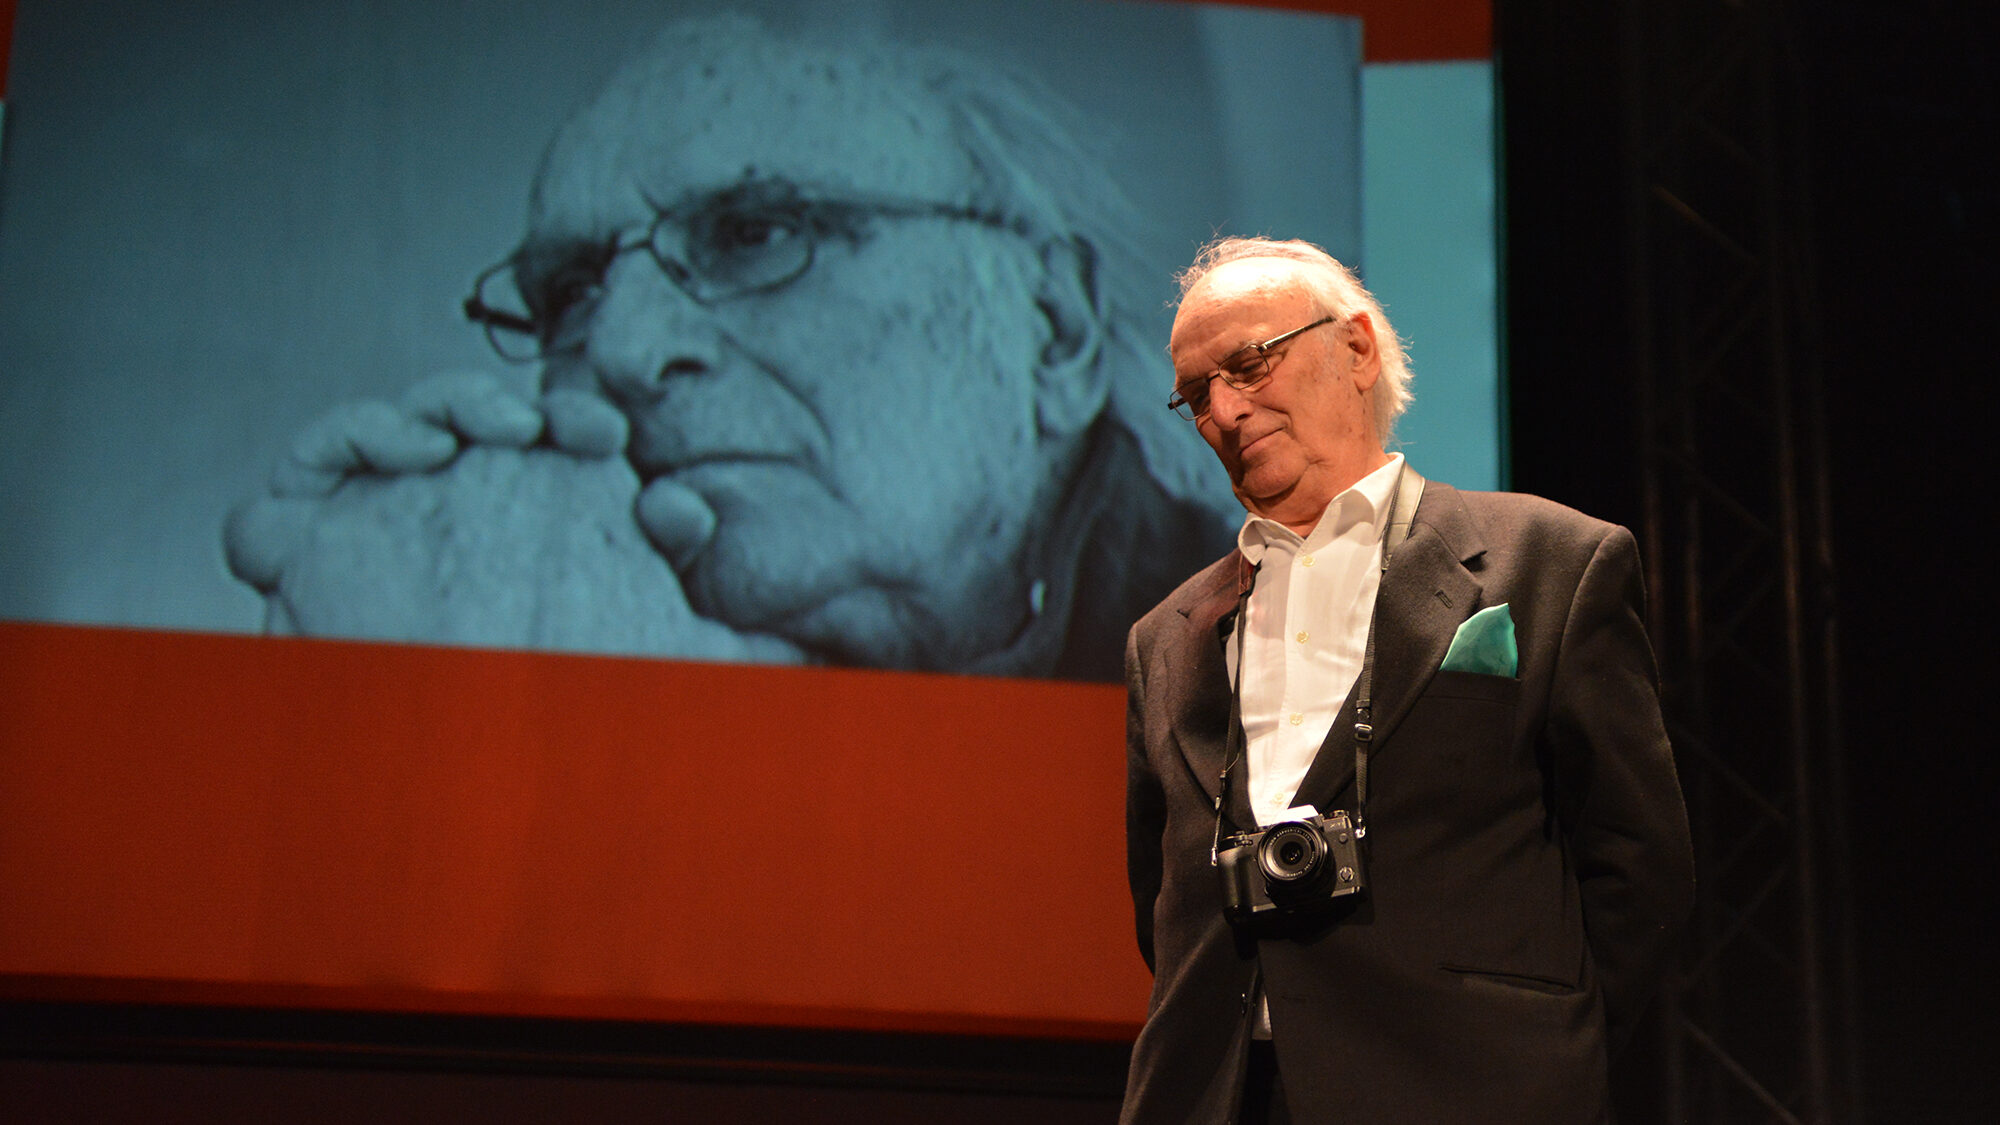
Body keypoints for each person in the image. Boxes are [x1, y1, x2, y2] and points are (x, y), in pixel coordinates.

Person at [222, 14, 1237, 680]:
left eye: (759, 234)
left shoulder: (1305, 673)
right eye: (572, 290)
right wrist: (399, 714)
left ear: (1048, 328)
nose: (619, 348)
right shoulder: (525, 618)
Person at [1120, 236, 1694, 1123]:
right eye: (1197, 393)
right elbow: (1162, 902)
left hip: (1471, 1088)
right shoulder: (1164, 638)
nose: (1224, 410)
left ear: (1356, 347)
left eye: (1248, 364)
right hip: (1220, 1094)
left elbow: (1638, 863)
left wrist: (1538, 1051)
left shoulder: (1550, 563)